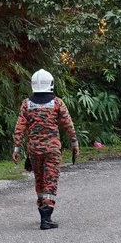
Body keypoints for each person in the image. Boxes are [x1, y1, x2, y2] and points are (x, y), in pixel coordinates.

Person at [12, 69, 79, 230]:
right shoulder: (57, 103)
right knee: (51, 180)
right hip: (52, 150)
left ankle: (43, 213)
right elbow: (68, 125)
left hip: (34, 151)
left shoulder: (27, 104)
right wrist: (74, 144)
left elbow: (19, 127)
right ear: (50, 83)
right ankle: (46, 218)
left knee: (40, 180)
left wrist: (16, 149)